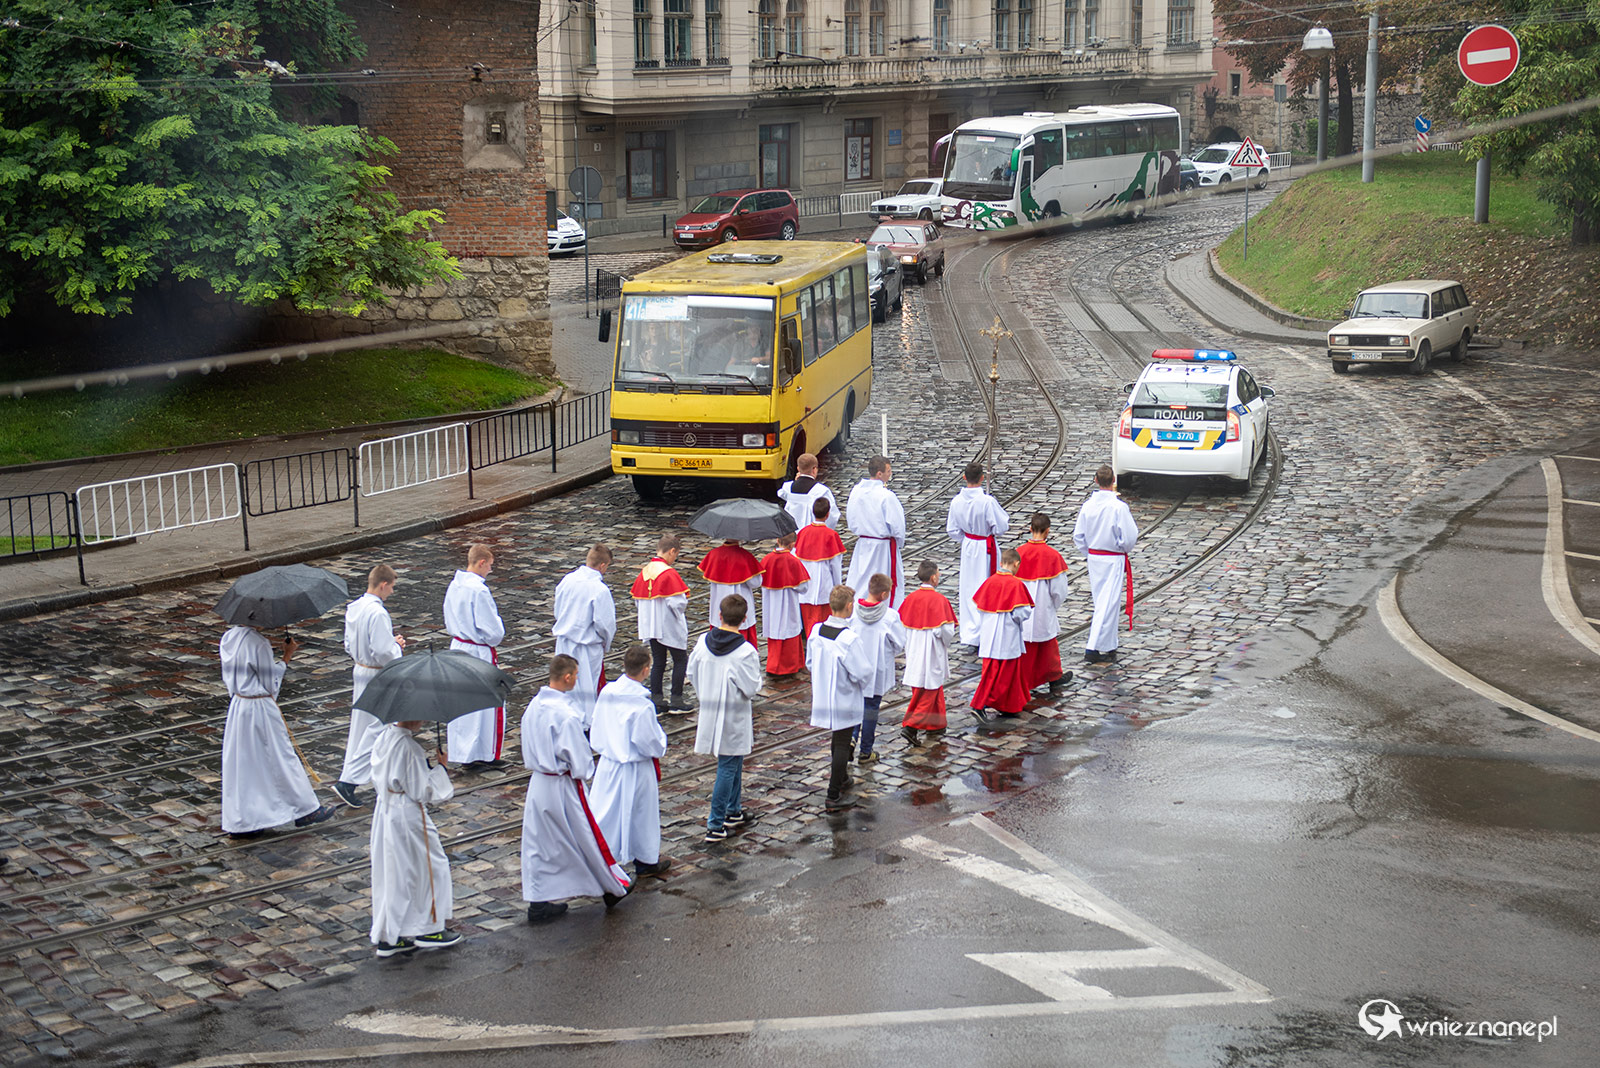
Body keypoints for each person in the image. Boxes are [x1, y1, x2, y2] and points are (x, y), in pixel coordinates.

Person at [520, 655, 631, 923]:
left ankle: (538, 900)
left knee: (538, 843)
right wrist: (584, 772)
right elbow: (580, 761)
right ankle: (611, 887)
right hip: (562, 784)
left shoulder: (534, 706)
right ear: (567, 677)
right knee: (586, 836)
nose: (579, 678)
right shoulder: (566, 716)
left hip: (538, 784)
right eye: (577, 674)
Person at [219, 625, 335, 838]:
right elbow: (270, 684)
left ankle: (244, 822)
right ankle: (305, 810)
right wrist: (287, 656)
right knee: (281, 757)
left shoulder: (229, 637)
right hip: (259, 707)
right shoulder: (258, 643)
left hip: (238, 707)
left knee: (244, 764)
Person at [368, 719, 462, 957]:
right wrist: (441, 769)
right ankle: (430, 928)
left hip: (386, 809)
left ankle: (390, 935)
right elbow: (423, 791)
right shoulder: (410, 748)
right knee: (431, 867)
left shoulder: (384, 737)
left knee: (393, 873)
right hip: (407, 813)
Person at [589, 645, 672, 881]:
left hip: (608, 764)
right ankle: (644, 859)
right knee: (643, 815)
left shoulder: (608, 692)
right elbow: (648, 742)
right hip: (636, 767)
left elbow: (597, 722)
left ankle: (600, 855)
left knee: (605, 811)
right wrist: (661, 745)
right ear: (646, 670)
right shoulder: (642, 705)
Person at [688, 595, 764, 843]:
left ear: (719, 615)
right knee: (728, 765)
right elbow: (752, 688)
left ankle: (733, 809)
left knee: (734, 760)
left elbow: (691, 672)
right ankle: (715, 823)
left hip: (710, 708)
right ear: (744, 620)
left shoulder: (702, 643)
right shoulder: (744, 652)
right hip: (733, 714)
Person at [335, 564, 406, 808]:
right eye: (392, 588)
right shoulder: (378, 613)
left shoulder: (354, 608)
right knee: (378, 726)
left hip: (360, 669)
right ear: (383, 584)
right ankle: (350, 781)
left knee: (361, 728)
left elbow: (348, 644)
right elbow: (383, 651)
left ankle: (359, 776)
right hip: (377, 675)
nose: (392, 593)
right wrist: (396, 645)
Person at [806, 585, 874, 810]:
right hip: (844, 695)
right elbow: (862, 672)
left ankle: (842, 778)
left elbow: (810, 663)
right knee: (843, 741)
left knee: (839, 738)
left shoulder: (816, 631)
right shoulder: (849, 639)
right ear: (849, 606)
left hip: (824, 693)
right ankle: (833, 793)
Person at [443, 545, 507, 767]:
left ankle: (464, 751)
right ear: (481, 562)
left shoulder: (455, 585)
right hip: (477, 650)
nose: (490, 570)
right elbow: (492, 630)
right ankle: (480, 753)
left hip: (458, 647)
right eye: (490, 565)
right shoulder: (479, 590)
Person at [1072, 465, 1139, 663]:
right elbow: (1128, 536)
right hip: (1112, 558)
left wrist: (1089, 552)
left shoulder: (1087, 506)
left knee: (1105, 601)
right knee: (1106, 603)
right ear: (1113, 481)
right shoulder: (1118, 507)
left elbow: (1079, 536)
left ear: (1095, 480)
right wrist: (1121, 548)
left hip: (1095, 557)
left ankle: (1109, 643)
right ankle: (1092, 647)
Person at [552, 544, 618, 727]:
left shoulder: (567, 580)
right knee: (586, 689)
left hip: (564, 642)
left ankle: (565, 719)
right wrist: (606, 643)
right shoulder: (599, 589)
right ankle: (585, 724)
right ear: (603, 566)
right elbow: (605, 624)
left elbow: (558, 610)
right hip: (587, 646)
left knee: (565, 685)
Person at [946, 462, 1010, 647]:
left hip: (969, 546)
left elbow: (952, 530)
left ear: (964, 477)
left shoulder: (956, 501)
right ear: (982, 478)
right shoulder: (987, 502)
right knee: (986, 587)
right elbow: (1001, 526)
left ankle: (970, 633)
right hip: (985, 547)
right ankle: (985, 630)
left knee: (969, 589)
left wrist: (967, 539)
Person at [969, 549, 1035, 720]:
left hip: (988, 635)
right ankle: (980, 704)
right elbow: (1022, 613)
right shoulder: (1016, 584)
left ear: (1001, 563)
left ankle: (1010, 706)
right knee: (1002, 676)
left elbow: (980, 607)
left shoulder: (989, 581)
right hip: (1006, 637)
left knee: (992, 673)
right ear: (1016, 564)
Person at [898, 560, 958, 746]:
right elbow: (945, 631)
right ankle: (911, 726)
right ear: (933, 577)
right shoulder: (940, 600)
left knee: (928, 687)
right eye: (939, 573)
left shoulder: (910, 599)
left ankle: (937, 723)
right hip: (932, 651)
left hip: (914, 649)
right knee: (930, 689)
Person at [631, 534, 693, 712]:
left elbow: (637, 599)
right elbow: (678, 603)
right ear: (672, 551)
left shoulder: (644, 571)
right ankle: (676, 699)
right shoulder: (669, 573)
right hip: (669, 626)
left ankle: (657, 699)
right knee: (680, 660)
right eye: (676, 555)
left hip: (651, 626)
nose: (674, 559)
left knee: (658, 662)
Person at [847, 572, 904, 764]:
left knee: (855, 704)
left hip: (855, 666)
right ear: (885, 594)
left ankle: (851, 738)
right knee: (871, 708)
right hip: (877, 669)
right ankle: (866, 751)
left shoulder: (853, 611)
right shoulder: (890, 616)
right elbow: (899, 643)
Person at [1017, 513, 1073, 693]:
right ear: (1048, 531)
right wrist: (1052, 607)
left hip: (1020, 606)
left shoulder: (1018, 553)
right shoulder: (1053, 556)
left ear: (1030, 529)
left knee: (1035, 645)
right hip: (1043, 606)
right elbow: (1059, 590)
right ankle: (1044, 677)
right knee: (1047, 642)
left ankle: (1054, 675)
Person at [845, 455, 907, 607]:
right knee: (882, 582)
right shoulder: (887, 496)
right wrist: (898, 543)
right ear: (880, 474)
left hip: (863, 544)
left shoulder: (856, 492)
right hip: (882, 548)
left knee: (860, 579)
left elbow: (851, 518)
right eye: (888, 471)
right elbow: (897, 526)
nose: (890, 474)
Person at [795, 497, 846, 639]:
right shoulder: (831, 535)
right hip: (824, 586)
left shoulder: (803, 533)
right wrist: (837, 586)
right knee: (824, 626)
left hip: (806, 588)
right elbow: (835, 565)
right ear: (828, 514)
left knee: (808, 621)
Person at [697, 539, 762, 649]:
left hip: (719, 607)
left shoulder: (713, 555)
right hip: (740, 608)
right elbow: (755, 583)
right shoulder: (745, 556)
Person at [760, 533, 809, 676]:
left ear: (777, 540)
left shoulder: (766, 559)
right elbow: (803, 587)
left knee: (775, 630)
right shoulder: (793, 561)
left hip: (771, 603)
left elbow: (758, 581)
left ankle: (773, 665)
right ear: (793, 544)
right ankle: (790, 665)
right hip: (788, 603)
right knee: (789, 628)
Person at [777, 453, 838, 532]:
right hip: (811, 536)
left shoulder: (787, 487)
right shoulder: (821, 491)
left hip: (792, 535)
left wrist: (797, 481)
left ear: (798, 469)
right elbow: (832, 516)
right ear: (814, 469)